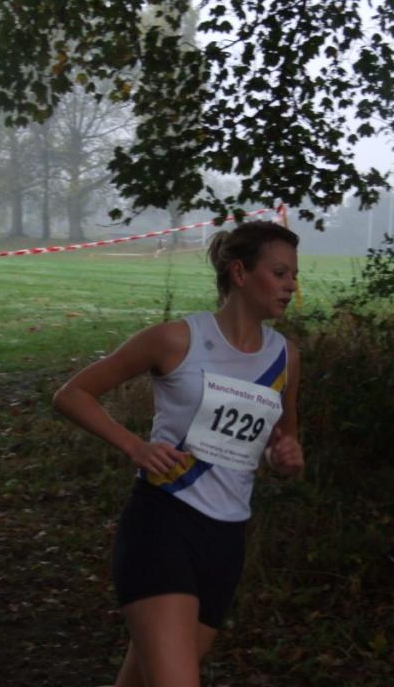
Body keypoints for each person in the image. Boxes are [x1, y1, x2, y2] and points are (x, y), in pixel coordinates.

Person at [54, 220, 305, 687]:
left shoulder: (285, 356)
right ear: (239, 273)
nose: (291, 285)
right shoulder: (177, 340)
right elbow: (72, 394)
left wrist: (284, 457)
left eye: (294, 274)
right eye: (280, 273)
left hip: (226, 540)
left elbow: (281, 443)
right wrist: (134, 445)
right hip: (164, 524)